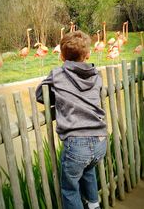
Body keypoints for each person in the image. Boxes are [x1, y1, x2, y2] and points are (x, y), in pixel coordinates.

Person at [36, 30, 107, 209]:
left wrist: (58, 96)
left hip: (76, 144)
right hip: (100, 141)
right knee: (89, 171)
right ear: (88, 55)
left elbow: (40, 95)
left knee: (69, 189)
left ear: (61, 56)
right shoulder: (96, 76)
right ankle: (94, 206)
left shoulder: (58, 74)